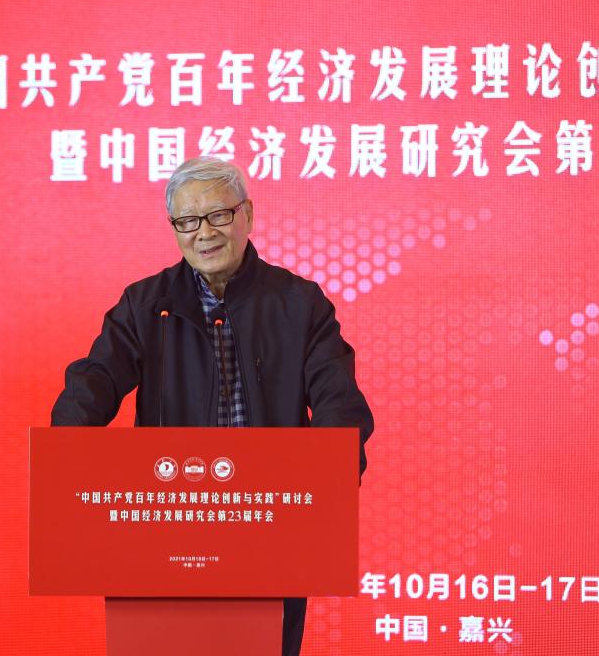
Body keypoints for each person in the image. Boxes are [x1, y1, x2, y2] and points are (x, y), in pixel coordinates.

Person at [51, 156, 374, 656]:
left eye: (219, 215)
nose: (204, 233)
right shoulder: (145, 304)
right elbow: (95, 379)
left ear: (248, 215)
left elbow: (340, 405)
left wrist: (324, 485)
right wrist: (65, 459)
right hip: (169, 522)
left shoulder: (299, 303)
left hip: (267, 522)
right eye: (187, 221)